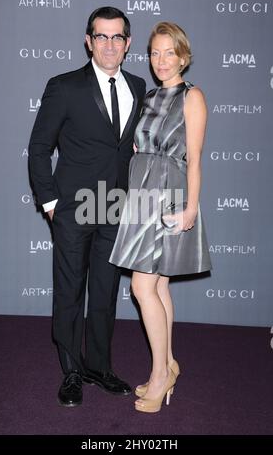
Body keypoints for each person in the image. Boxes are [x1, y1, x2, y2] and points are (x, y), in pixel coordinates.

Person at [29, 6, 146, 407]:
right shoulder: (64, 86)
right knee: (69, 292)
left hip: (116, 203)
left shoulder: (137, 83)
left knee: (104, 291)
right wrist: (49, 202)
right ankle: (72, 372)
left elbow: (126, 147)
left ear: (128, 44)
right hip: (73, 207)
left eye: (117, 37)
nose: (110, 44)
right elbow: (40, 149)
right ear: (88, 41)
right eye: (102, 36)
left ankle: (98, 366)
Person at [109, 22, 212, 413]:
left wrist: (190, 208)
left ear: (183, 55)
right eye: (154, 53)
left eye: (169, 52)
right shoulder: (149, 96)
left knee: (141, 288)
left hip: (169, 195)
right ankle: (168, 363)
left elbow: (195, 160)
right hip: (143, 193)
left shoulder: (193, 97)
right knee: (159, 287)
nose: (161, 60)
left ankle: (159, 376)